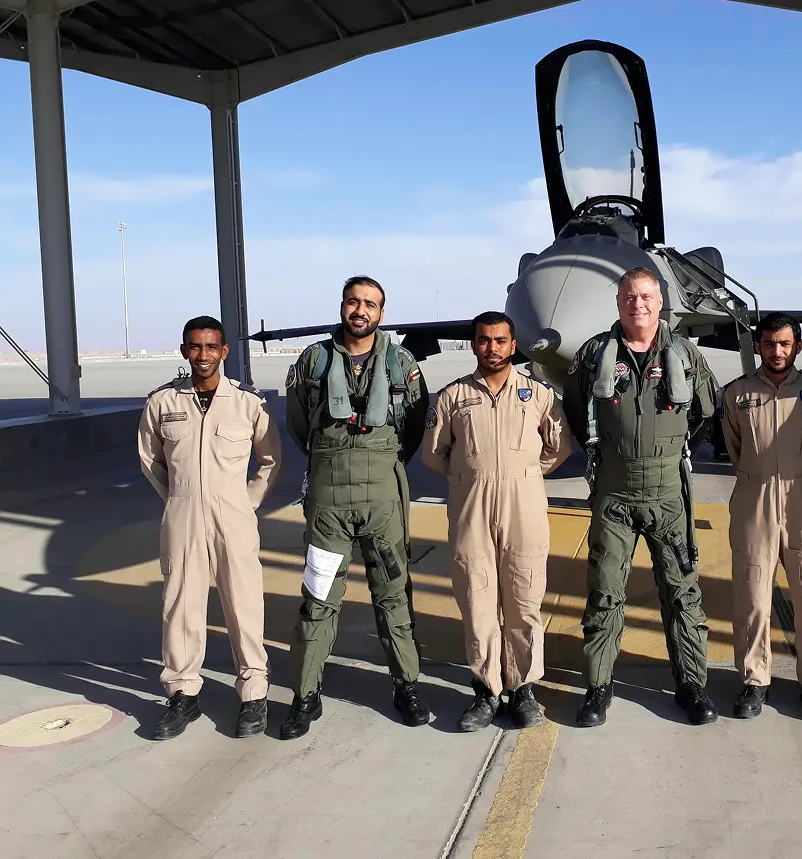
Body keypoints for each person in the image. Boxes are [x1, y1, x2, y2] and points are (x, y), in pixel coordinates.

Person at [562, 266, 720, 726]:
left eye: (647, 296)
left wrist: (664, 449)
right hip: (614, 495)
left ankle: (692, 685)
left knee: (682, 593)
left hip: (669, 495)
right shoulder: (595, 354)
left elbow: (705, 409)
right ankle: (598, 687)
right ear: (618, 303)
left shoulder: (685, 353)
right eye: (630, 297)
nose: (638, 304)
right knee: (605, 593)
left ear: (659, 301)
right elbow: (576, 408)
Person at [280, 275, 431, 739]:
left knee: (393, 595)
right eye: (353, 302)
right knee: (319, 596)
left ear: (381, 313)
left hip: (383, 500)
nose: (360, 310)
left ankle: (406, 686)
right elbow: (299, 424)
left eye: (370, 303)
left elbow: (413, 427)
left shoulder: (402, 364)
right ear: (342, 306)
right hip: (328, 504)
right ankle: (306, 694)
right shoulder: (313, 361)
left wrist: (377, 459)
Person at [422, 311, 573, 731]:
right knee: (476, 598)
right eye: (485, 340)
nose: (493, 348)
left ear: (513, 345)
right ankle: (486, 690)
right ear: (474, 344)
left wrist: (522, 473)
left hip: (523, 505)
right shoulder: (452, 396)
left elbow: (557, 448)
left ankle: (523, 688)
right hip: (471, 505)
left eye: (501, 341)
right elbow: (433, 453)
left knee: (524, 597)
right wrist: (471, 475)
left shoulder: (538, 394)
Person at [137, 315, 282, 739]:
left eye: (211, 347)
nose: (203, 355)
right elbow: (150, 460)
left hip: (233, 515)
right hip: (182, 514)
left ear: (224, 352)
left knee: (244, 602)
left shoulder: (247, 403)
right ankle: (183, 694)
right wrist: (177, 497)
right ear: (185, 351)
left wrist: (246, 503)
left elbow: (270, 462)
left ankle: (254, 693)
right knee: (180, 604)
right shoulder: (162, 404)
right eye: (195, 347)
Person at [722, 312, 802, 721]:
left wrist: (797, 481)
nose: (777, 351)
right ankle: (755, 680)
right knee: (753, 597)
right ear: (758, 346)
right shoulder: (736, 395)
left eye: (785, 344)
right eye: (769, 343)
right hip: (754, 497)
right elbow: (735, 447)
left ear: (798, 347)